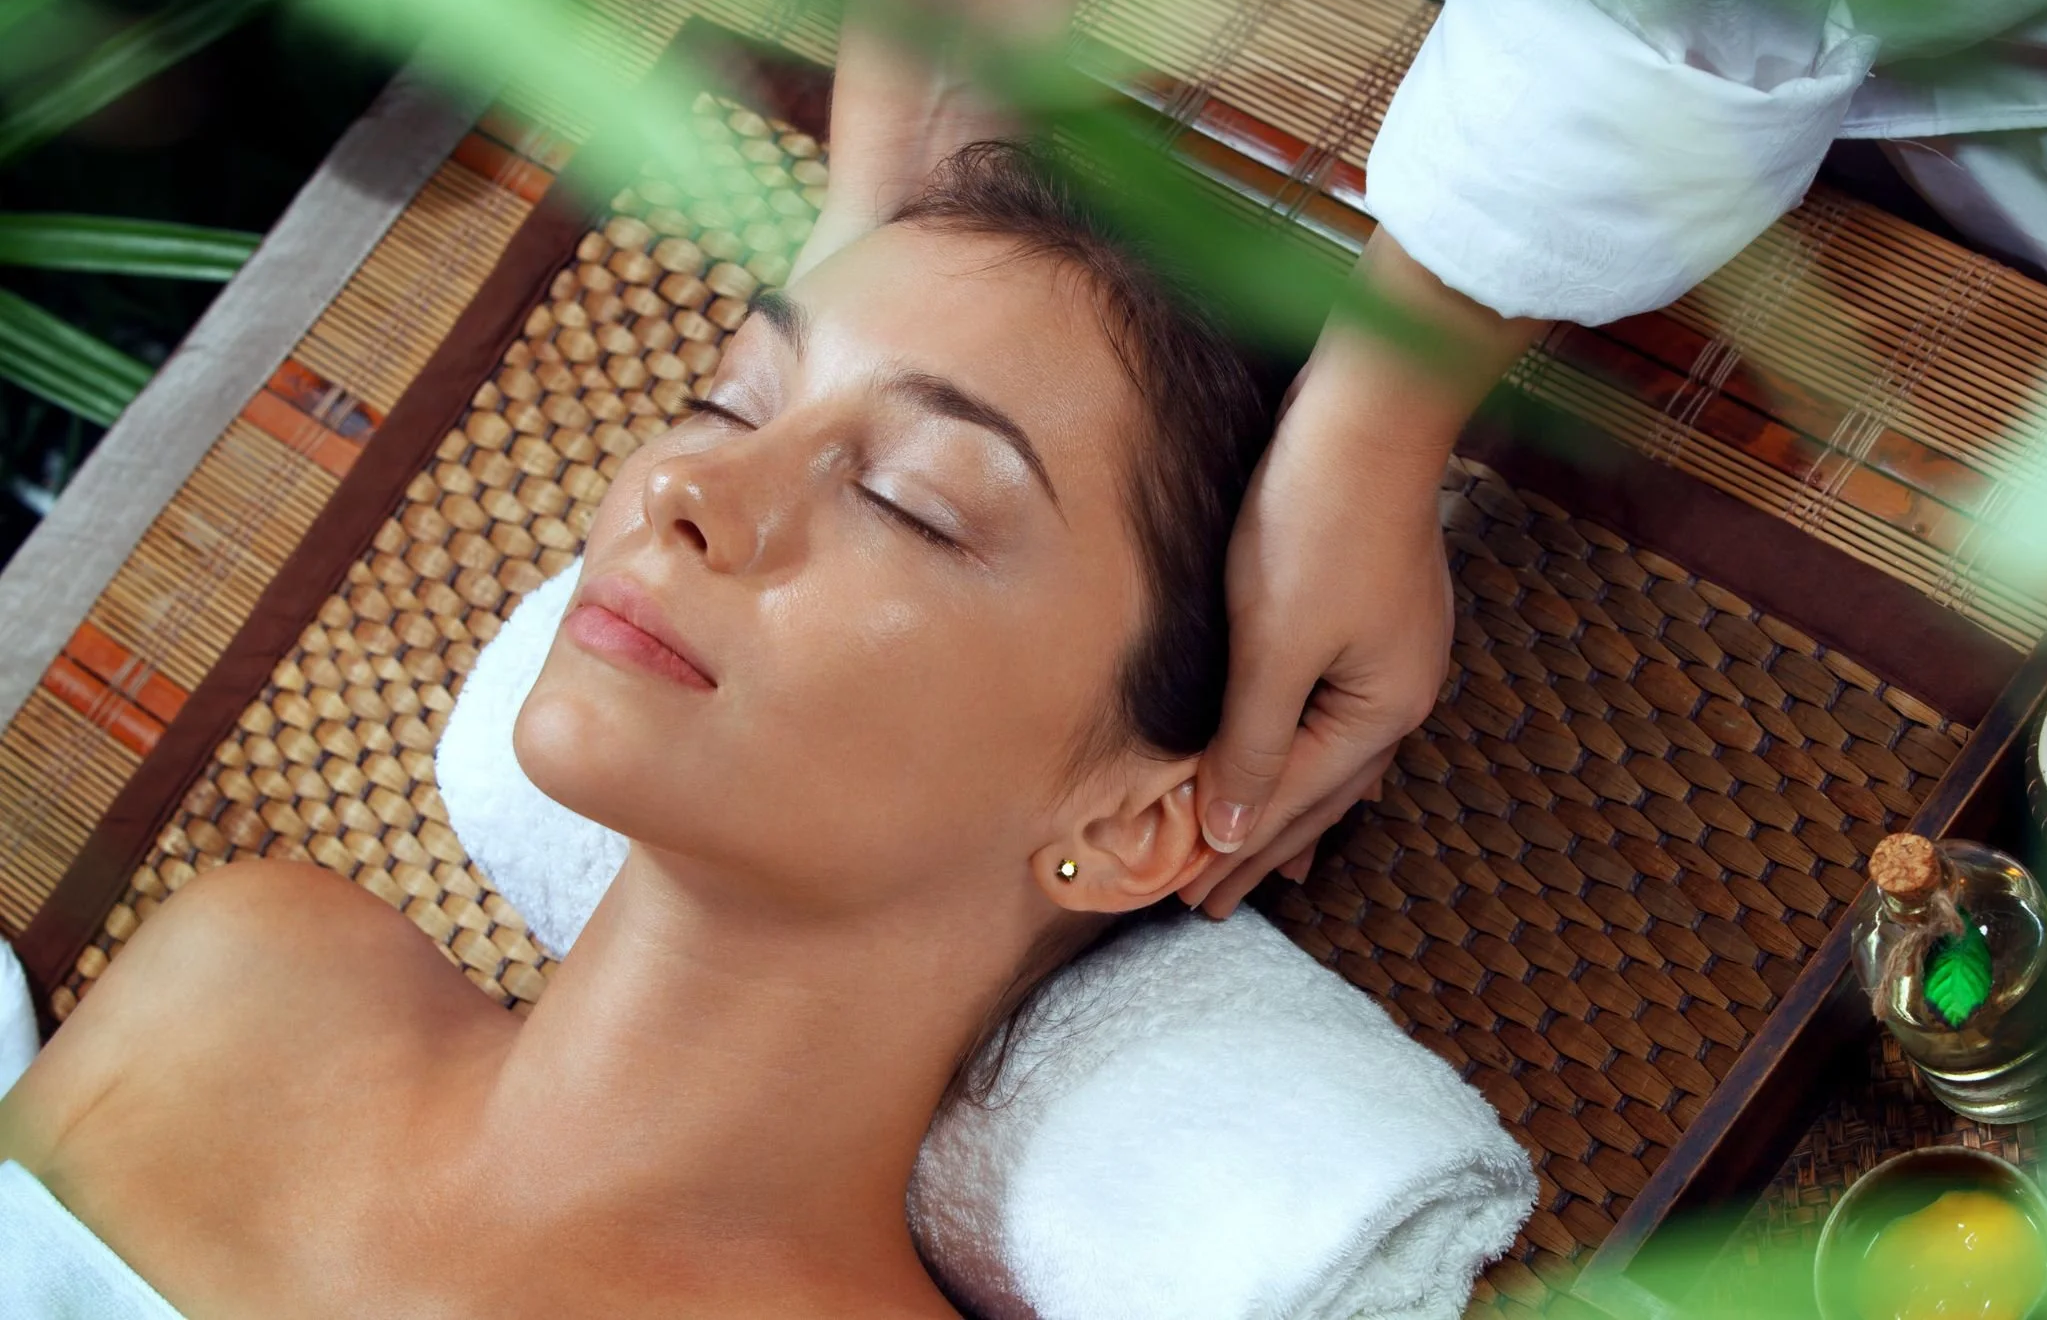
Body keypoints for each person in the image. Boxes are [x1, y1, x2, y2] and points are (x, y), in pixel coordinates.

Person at [805, 0, 2047, 913]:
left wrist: (1373, 439)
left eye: (919, 497)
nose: (657, 490)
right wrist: (900, 188)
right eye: (736, 403)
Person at [0, 143, 1284, 1315]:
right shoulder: (250, 983)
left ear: (1129, 823)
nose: (686, 484)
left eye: (910, 501)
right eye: (731, 401)